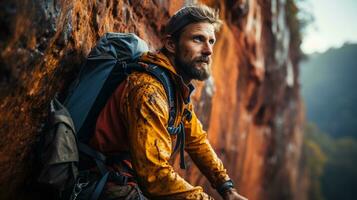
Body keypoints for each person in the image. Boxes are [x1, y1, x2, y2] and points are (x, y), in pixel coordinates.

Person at [90, 4, 248, 200]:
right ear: (171, 45)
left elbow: (197, 140)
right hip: (106, 186)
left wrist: (227, 188)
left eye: (211, 41)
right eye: (198, 39)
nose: (208, 50)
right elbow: (155, 176)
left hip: (127, 184)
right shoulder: (149, 91)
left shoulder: (173, 88)